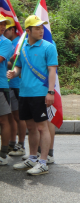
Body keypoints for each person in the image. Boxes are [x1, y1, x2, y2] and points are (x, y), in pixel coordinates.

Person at [8, 15, 57, 175]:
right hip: (24, 93)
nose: (41, 30)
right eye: (37, 28)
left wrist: (50, 92)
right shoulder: (22, 48)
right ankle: (32, 158)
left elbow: (52, 71)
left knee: (42, 127)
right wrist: (13, 73)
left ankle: (43, 162)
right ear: (28, 31)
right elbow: (19, 68)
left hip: (41, 94)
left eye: (42, 27)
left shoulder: (49, 47)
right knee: (31, 127)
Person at [4, 17, 27, 157]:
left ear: (12, 30)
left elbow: (14, 65)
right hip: (9, 85)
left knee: (19, 117)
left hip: (16, 84)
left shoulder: (18, 44)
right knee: (11, 116)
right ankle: (12, 143)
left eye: (5, 30)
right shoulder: (11, 43)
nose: (3, 31)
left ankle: (22, 144)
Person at [0, 15, 13, 166]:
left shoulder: (6, 42)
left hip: (1, 86)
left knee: (3, 120)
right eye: (0, 24)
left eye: (4, 25)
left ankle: (3, 153)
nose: (3, 27)